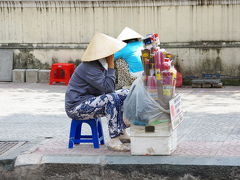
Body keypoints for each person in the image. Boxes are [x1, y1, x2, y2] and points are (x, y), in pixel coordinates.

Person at [65, 33, 130, 151]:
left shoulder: (100, 65)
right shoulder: (89, 67)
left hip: (89, 101)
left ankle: (121, 130)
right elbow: (109, 89)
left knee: (125, 93)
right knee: (111, 98)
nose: (113, 54)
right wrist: (111, 65)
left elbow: (109, 89)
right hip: (76, 108)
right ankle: (114, 139)